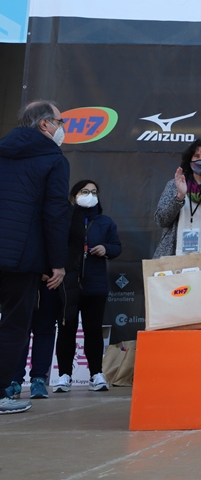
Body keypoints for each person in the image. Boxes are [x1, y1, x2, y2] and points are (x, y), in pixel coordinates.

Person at [0, 101, 69, 415]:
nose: (61, 128)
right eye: (59, 121)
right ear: (44, 124)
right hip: (22, 257)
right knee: (14, 325)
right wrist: (57, 263)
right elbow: (54, 213)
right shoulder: (54, 159)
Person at [53, 180, 121, 393]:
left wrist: (105, 248)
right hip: (68, 284)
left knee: (93, 330)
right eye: (85, 191)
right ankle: (64, 375)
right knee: (66, 329)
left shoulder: (105, 222)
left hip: (95, 284)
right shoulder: (64, 220)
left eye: (94, 192)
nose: (89, 195)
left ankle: (96, 374)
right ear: (74, 195)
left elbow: (117, 247)